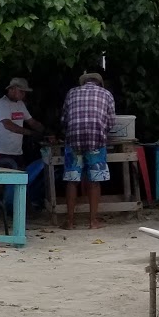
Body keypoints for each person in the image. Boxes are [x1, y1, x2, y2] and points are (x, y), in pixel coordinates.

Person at [62, 72, 116, 229]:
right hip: (96, 141)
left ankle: (70, 222)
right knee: (95, 181)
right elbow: (111, 121)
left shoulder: (71, 93)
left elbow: (64, 120)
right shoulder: (106, 94)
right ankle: (93, 222)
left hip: (73, 140)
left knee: (72, 181)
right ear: (99, 83)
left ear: (83, 82)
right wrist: (100, 133)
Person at [0, 77, 45, 169]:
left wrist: (44, 131)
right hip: (1, 151)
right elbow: (8, 125)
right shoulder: (2, 104)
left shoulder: (20, 104)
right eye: (21, 91)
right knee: (1, 180)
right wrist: (31, 133)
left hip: (16, 151)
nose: (24, 94)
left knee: (17, 179)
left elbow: (31, 121)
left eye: (24, 92)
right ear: (12, 89)